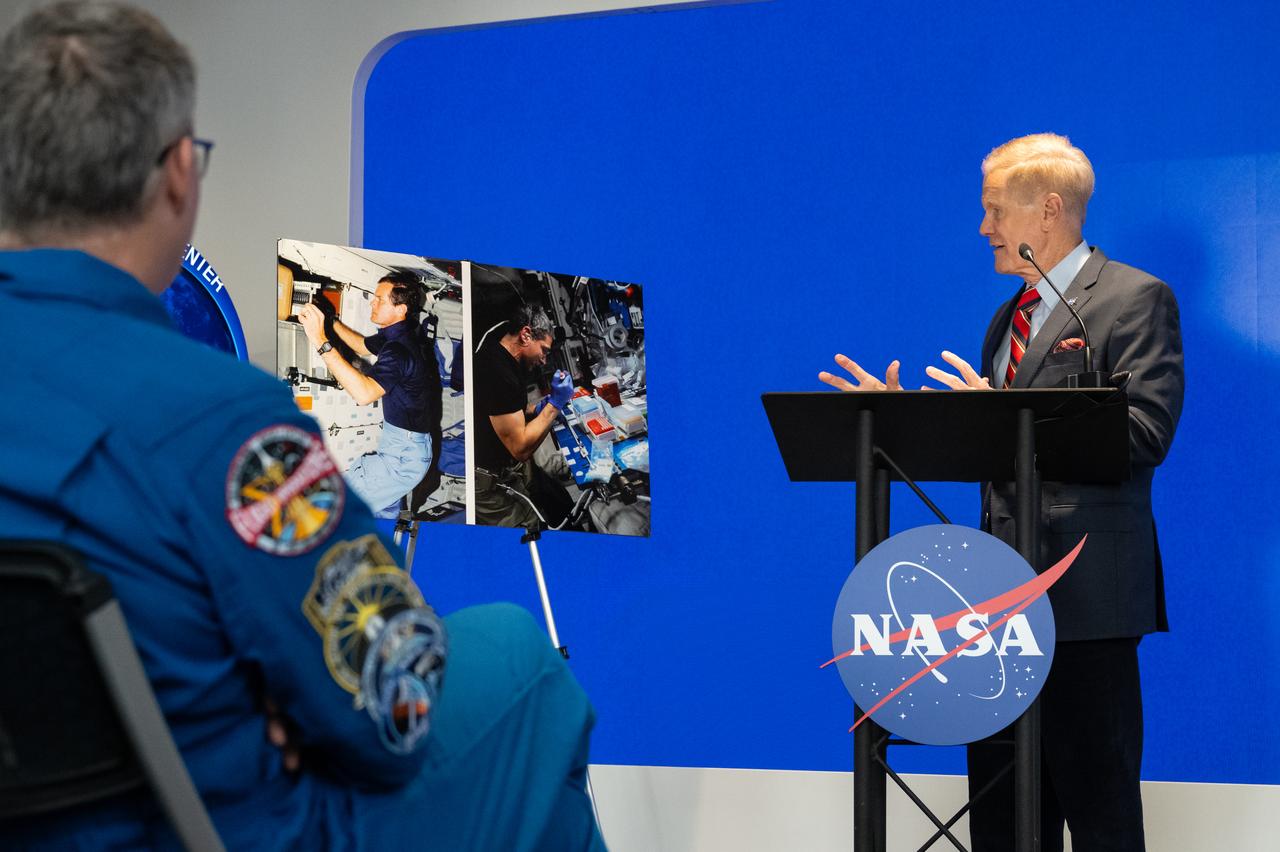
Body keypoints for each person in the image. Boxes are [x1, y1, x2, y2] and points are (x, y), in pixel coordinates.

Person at [0, 4, 604, 850]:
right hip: (219, 827)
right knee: (519, 662)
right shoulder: (224, 424)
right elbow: (395, 706)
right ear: (179, 173)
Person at [821, 133, 1184, 852]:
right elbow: (997, 447)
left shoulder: (1133, 299)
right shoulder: (1008, 318)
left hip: (1087, 606)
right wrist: (901, 422)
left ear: (1047, 212)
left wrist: (1012, 417)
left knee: (1103, 817)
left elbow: (1144, 434)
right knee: (1004, 820)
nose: (983, 228)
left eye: (994, 211)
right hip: (996, 613)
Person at [297, 270, 442, 517]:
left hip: (403, 458)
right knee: (381, 511)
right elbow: (362, 345)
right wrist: (331, 321)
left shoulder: (399, 350)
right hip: (405, 448)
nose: (372, 303)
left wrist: (320, 339)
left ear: (401, 309)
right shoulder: (401, 335)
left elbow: (364, 395)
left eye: (379, 300)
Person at [473, 302, 575, 527]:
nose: (544, 360)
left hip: (509, 467)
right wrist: (555, 405)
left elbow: (506, 409)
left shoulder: (504, 351)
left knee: (559, 503)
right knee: (529, 527)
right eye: (544, 351)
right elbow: (520, 448)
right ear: (526, 335)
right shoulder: (495, 371)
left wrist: (537, 409)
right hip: (488, 483)